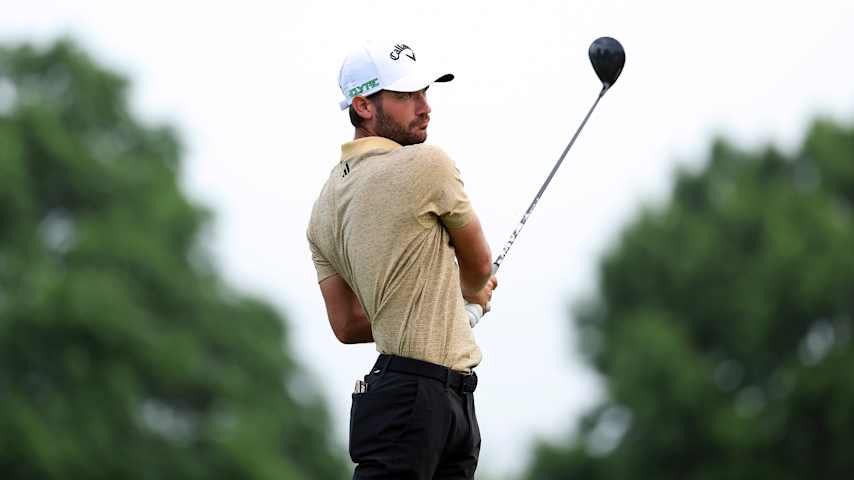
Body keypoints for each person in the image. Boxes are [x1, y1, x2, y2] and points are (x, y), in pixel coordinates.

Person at [307, 41, 497, 479]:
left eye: (425, 93)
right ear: (363, 105)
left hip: (422, 398)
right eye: (406, 96)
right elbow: (479, 265)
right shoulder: (427, 164)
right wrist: (468, 295)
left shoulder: (322, 208)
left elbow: (349, 325)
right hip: (424, 401)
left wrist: (431, 307)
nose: (424, 107)